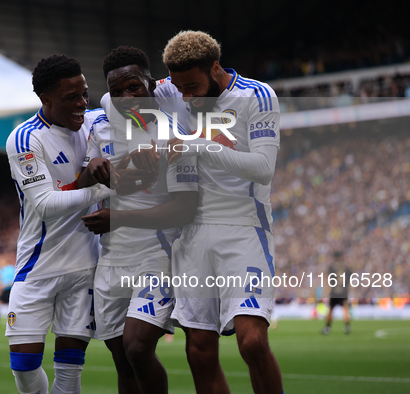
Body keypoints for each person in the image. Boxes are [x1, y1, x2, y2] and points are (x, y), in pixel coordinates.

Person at [160, 31, 284, 394]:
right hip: (192, 233)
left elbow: (263, 168)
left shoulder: (256, 95)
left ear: (215, 68)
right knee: (199, 351)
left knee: (252, 342)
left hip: (244, 227)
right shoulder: (176, 89)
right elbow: (115, 91)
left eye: (193, 86)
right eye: (179, 87)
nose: (186, 96)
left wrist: (197, 145)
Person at [79, 46, 199, 394]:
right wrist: (92, 168)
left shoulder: (176, 136)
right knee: (122, 360)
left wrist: (118, 217)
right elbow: (84, 179)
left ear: (153, 85)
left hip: (158, 255)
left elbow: (184, 208)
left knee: (137, 346)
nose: (127, 98)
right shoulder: (102, 126)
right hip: (112, 258)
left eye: (134, 87)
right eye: (118, 93)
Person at [5, 55, 110, 394]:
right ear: (45, 99)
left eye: (84, 94)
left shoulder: (96, 123)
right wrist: (103, 187)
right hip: (38, 266)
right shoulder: (25, 139)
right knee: (23, 367)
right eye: (71, 98)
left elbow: (131, 95)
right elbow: (46, 205)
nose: (82, 104)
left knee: (69, 372)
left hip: (84, 267)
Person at [323, 251, 351, 335]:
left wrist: (327, 290)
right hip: (343, 291)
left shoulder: (332, 267)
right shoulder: (346, 267)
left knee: (331, 310)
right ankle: (347, 327)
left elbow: (329, 279)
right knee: (345, 309)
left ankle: (327, 328)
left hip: (334, 291)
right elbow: (349, 279)